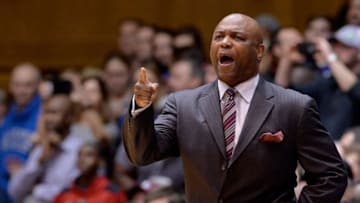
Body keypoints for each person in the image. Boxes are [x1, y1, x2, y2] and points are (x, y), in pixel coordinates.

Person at [122, 13, 347, 202]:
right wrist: (141, 108)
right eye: (218, 37)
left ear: (259, 51)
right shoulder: (182, 105)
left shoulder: (294, 106)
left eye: (236, 37)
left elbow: (331, 175)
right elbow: (142, 155)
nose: (225, 42)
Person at [8, 94, 84, 203]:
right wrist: (42, 159)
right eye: (45, 113)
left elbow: (68, 194)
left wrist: (34, 189)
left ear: (69, 117)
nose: (47, 119)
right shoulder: (41, 148)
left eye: (53, 113)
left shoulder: (78, 150)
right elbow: (14, 192)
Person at [0, 63, 42, 202]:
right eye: (17, 85)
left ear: (37, 86)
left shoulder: (43, 114)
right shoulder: (7, 113)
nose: (21, 90)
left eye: (27, 85)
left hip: (26, 190)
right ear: (10, 86)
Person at [53, 142, 127, 203]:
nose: (82, 159)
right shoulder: (64, 194)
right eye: (80, 155)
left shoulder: (113, 192)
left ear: (100, 161)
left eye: (89, 155)